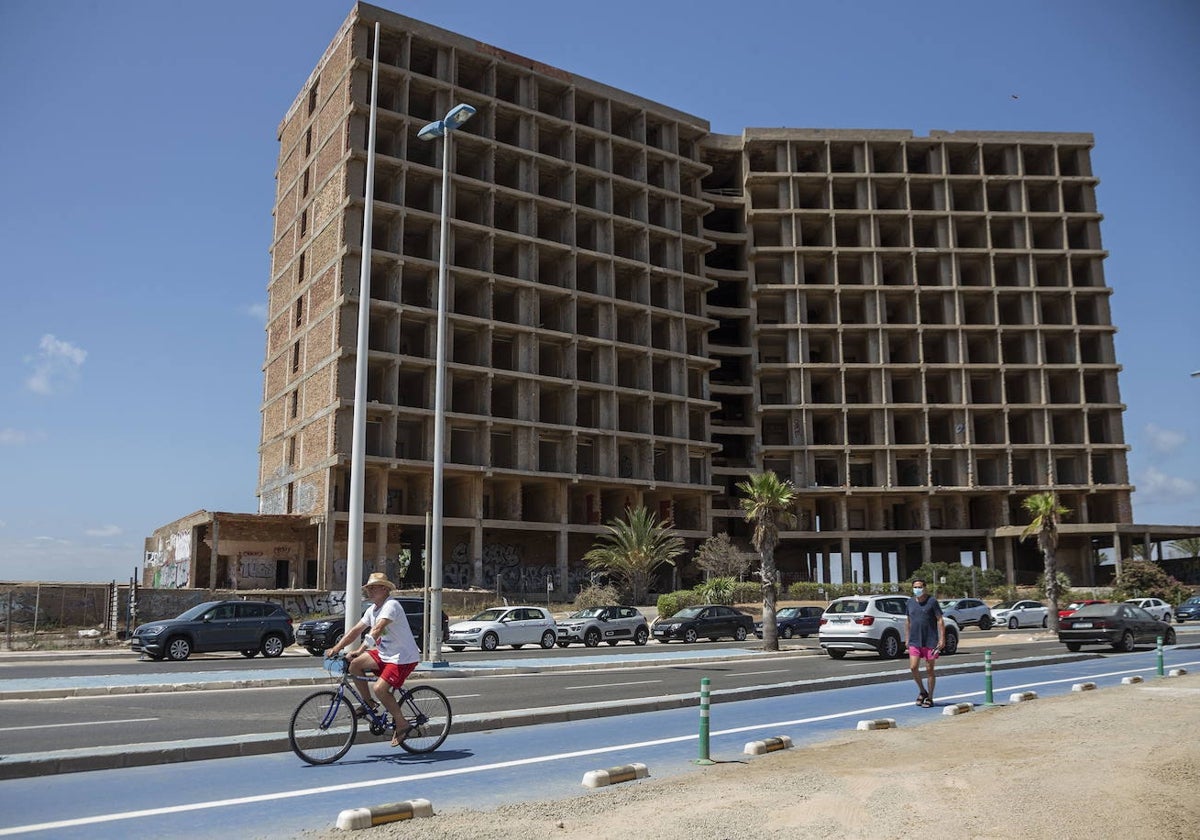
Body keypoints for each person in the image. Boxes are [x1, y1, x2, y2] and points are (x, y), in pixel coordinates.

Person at [326, 572, 421, 747]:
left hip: (402, 657)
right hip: (385, 653)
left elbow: (376, 630)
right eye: (368, 588)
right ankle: (369, 702)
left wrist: (360, 649)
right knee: (355, 665)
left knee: (380, 689)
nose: (369, 591)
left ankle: (402, 724)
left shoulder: (391, 606)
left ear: (384, 589)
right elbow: (355, 630)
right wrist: (336, 648)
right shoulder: (372, 609)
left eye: (373, 588)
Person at [905, 578, 945, 707]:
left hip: (930, 641)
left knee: (929, 669)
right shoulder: (910, 602)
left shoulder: (932, 601)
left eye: (920, 587)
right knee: (913, 667)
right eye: (915, 587)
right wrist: (907, 638)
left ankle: (930, 698)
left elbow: (940, 620)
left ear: (925, 587)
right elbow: (908, 621)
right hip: (915, 640)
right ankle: (922, 691)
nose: (917, 589)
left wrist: (942, 638)